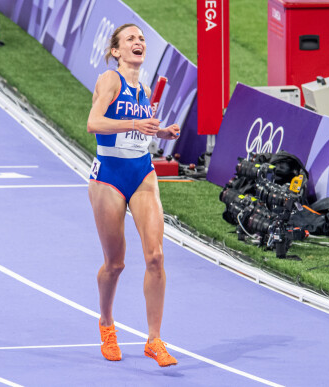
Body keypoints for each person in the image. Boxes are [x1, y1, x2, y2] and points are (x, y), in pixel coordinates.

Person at [86, 23, 180, 367]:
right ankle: (107, 324)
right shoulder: (110, 80)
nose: (138, 42)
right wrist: (135, 124)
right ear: (116, 51)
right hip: (109, 178)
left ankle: (154, 339)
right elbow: (94, 124)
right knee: (116, 263)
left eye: (141, 38)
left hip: (142, 173)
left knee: (155, 257)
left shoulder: (144, 89)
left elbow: (141, 135)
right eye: (130, 39)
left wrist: (163, 131)